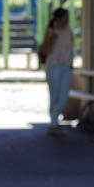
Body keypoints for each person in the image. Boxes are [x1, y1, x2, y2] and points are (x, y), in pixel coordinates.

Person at [37, 8, 73, 136]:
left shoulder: (69, 32)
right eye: (64, 18)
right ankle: (53, 124)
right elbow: (44, 49)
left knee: (63, 96)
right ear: (58, 19)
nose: (66, 21)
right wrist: (51, 40)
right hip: (54, 66)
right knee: (54, 96)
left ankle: (54, 122)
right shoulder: (51, 31)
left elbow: (71, 48)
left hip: (66, 67)